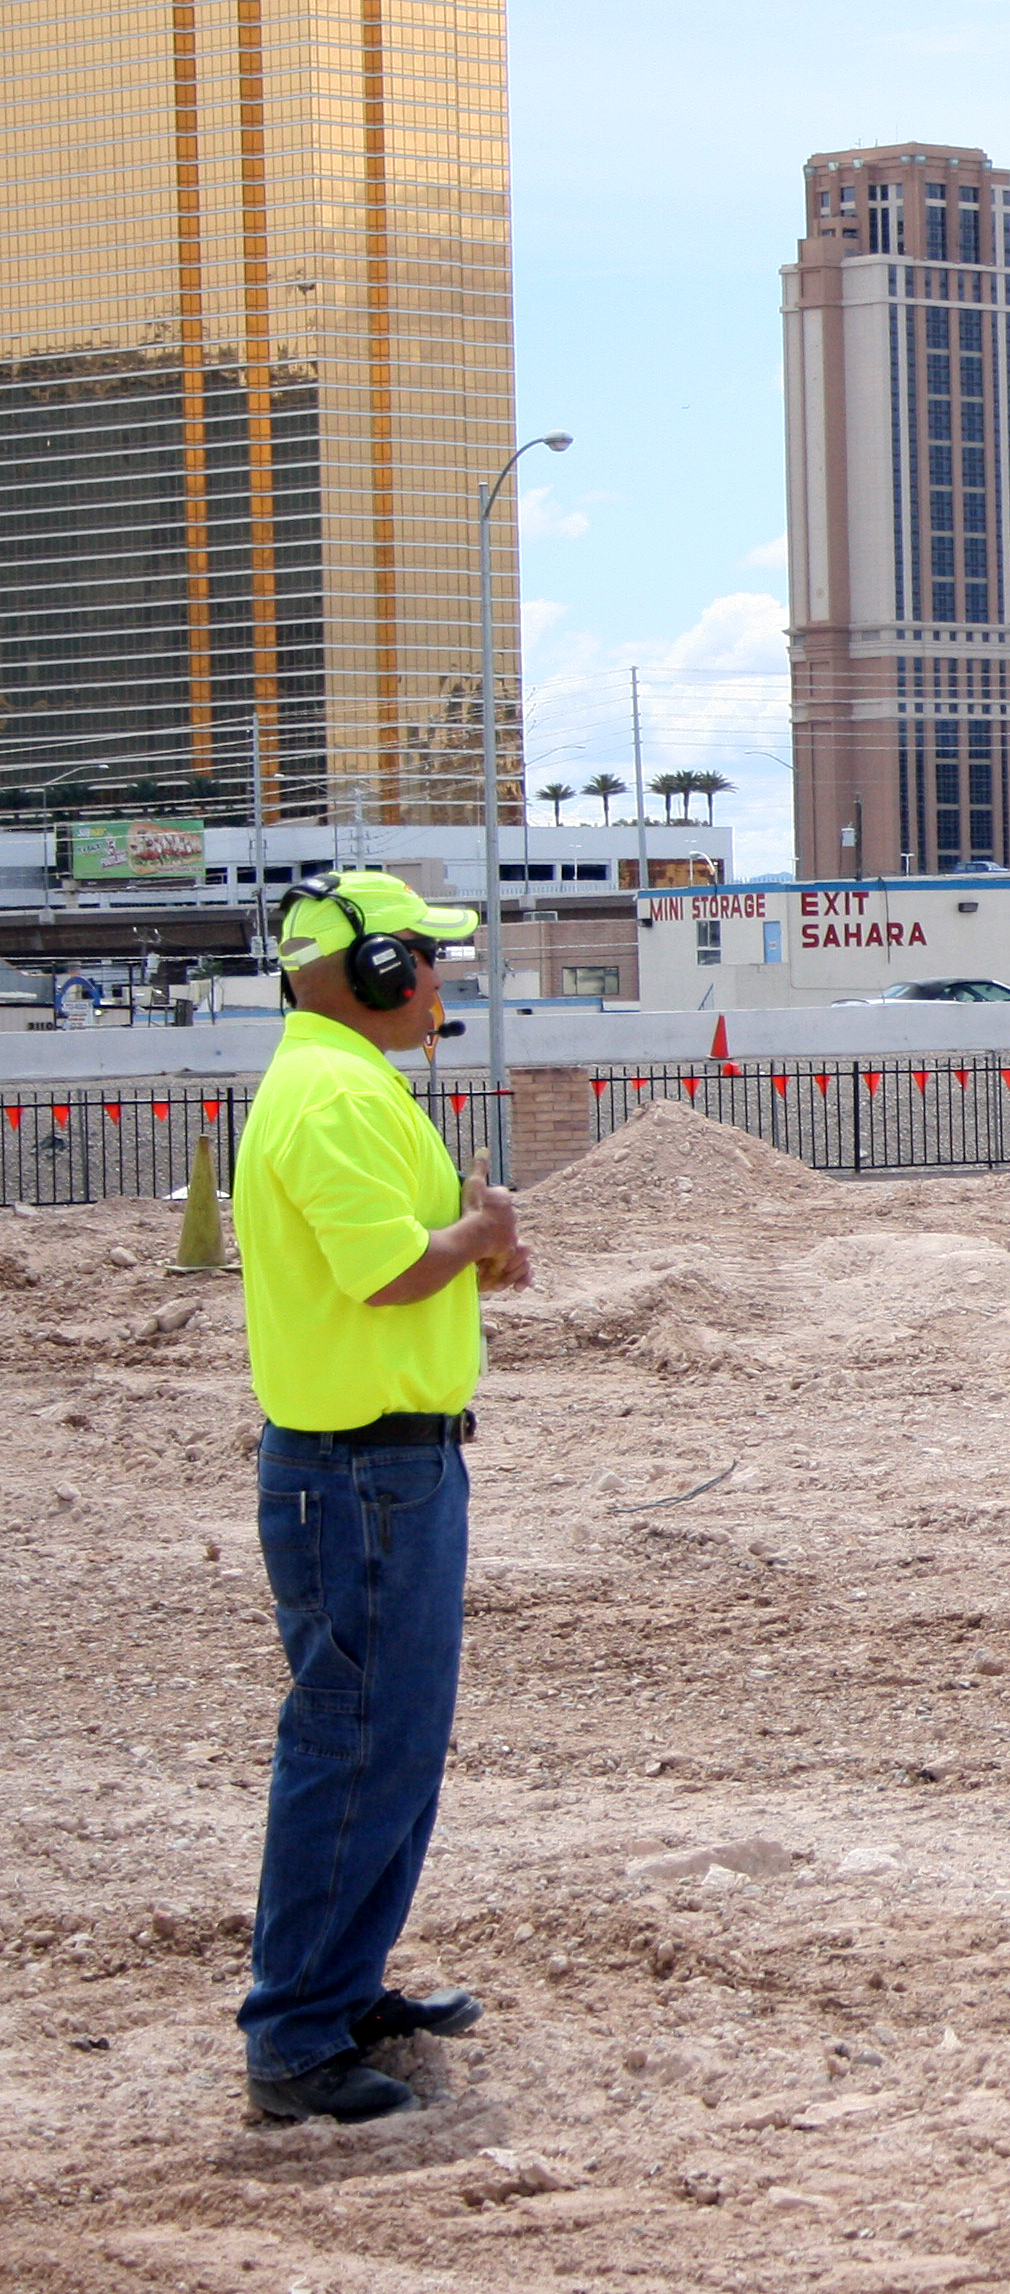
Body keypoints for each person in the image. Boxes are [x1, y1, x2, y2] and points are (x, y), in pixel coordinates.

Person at [233, 871, 532, 2123]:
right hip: (364, 1472)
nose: (442, 986)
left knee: (389, 1746)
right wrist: (474, 1237)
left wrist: (476, 1252)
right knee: (358, 1745)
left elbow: (417, 1265)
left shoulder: (344, 1085)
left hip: (384, 1465)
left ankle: (339, 1988)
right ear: (380, 971)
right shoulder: (334, 1097)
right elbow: (388, 1271)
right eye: (432, 963)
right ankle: (298, 2033)